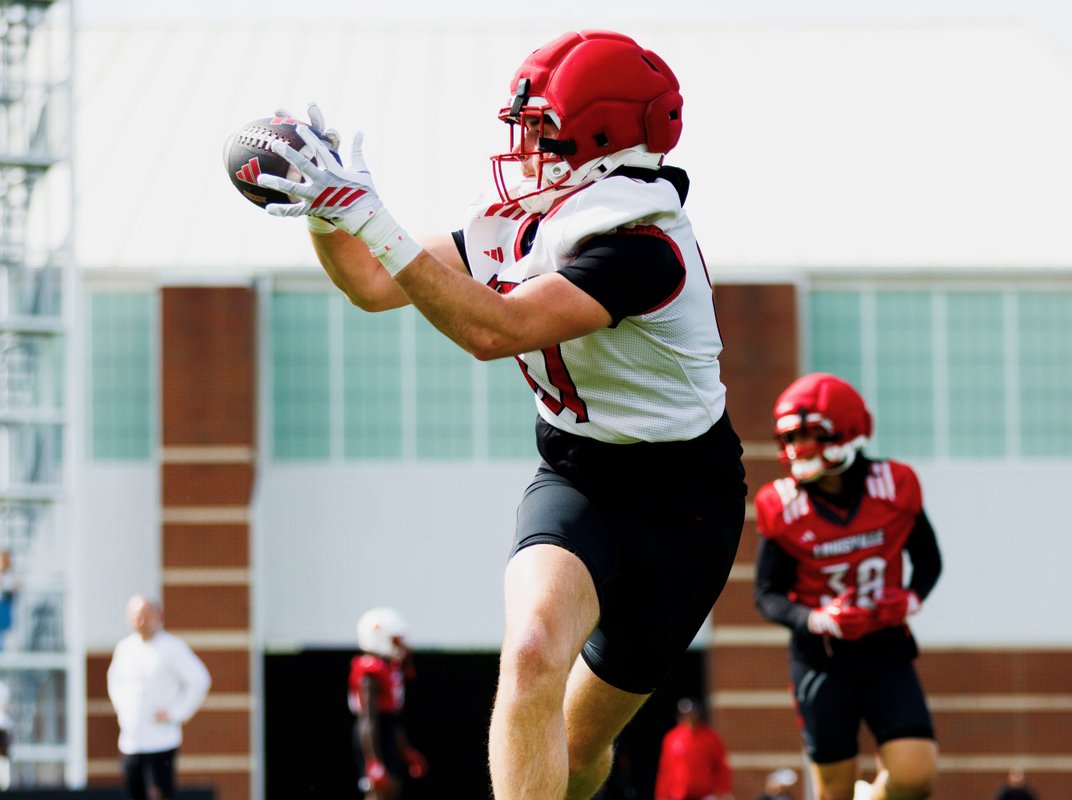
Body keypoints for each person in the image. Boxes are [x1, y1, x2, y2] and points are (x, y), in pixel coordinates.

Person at [251, 29, 747, 800]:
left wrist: (370, 217)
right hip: (580, 476)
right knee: (532, 651)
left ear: (603, 139)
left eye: (543, 130)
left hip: (685, 509)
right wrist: (326, 209)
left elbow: (496, 330)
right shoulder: (527, 223)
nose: (526, 148)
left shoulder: (644, 248)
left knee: (579, 753)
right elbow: (372, 284)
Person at [752, 373, 943, 800]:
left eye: (809, 433)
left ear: (847, 429)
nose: (797, 447)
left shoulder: (893, 486)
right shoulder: (783, 505)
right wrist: (818, 619)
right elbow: (766, 595)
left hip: (885, 648)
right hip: (822, 660)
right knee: (833, 792)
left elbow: (929, 561)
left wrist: (910, 599)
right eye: (790, 436)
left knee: (917, 778)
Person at [106, 595, 211, 800]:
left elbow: (200, 681)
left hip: (161, 742)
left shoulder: (172, 648)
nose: (140, 621)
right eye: (135, 616)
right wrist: (123, 710)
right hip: (131, 742)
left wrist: (175, 713)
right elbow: (114, 682)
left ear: (157, 616)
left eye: (145, 615)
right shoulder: (124, 649)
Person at [349, 607, 428, 799]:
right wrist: (373, 761)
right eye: (395, 640)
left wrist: (405, 750)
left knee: (392, 789)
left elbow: (391, 718)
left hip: (386, 732)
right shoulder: (370, 672)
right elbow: (368, 720)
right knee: (378, 793)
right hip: (374, 738)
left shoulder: (389, 668)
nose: (401, 646)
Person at [653, 699, 733, 800]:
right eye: (685, 714)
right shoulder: (672, 737)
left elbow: (721, 765)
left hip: (705, 794)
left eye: (692, 714)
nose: (689, 718)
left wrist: (722, 790)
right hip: (679, 795)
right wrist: (662, 794)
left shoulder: (710, 737)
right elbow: (665, 769)